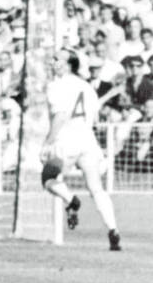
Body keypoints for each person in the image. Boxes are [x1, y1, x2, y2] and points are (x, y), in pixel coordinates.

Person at [41, 49, 123, 251]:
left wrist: (47, 142)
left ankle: (71, 200)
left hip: (65, 140)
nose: (53, 62)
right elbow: (94, 116)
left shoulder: (55, 85)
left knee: (49, 179)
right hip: (87, 140)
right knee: (96, 188)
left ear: (69, 64)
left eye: (57, 59)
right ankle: (113, 229)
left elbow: (60, 116)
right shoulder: (86, 86)